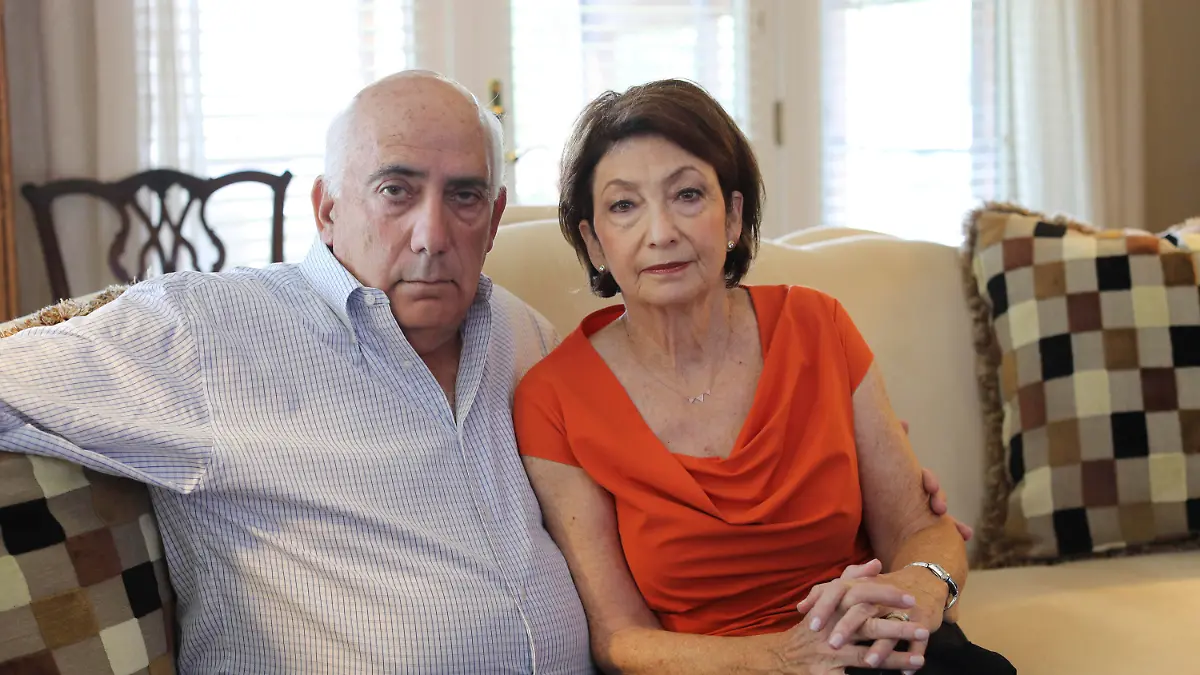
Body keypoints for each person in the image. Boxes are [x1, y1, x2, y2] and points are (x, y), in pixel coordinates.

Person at [0, 70, 966, 673]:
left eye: (464, 197)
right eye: (395, 190)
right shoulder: (204, 332)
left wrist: (910, 539)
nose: (432, 233)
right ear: (327, 207)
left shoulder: (521, 336)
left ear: (498, 218)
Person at [513, 79, 1013, 675]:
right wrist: (783, 656)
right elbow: (619, 639)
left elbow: (917, 525)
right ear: (595, 244)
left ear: (734, 215)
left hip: (872, 648)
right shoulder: (554, 398)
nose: (662, 231)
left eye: (688, 195)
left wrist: (923, 591)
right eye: (624, 206)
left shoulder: (816, 325)